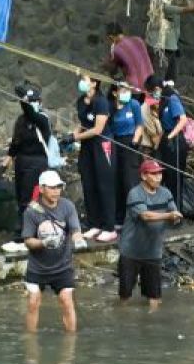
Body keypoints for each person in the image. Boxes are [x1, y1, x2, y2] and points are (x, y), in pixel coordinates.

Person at [22, 171, 86, 332]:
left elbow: (75, 229)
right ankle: (31, 342)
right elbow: (28, 240)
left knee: (66, 300)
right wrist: (44, 242)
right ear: (42, 189)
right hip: (38, 267)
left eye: (59, 187)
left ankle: (71, 342)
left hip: (62, 266)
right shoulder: (32, 211)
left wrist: (78, 239)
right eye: (52, 188)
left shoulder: (67, 206)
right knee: (33, 301)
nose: (56, 191)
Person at [118, 159, 182, 309]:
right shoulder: (135, 193)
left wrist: (176, 219)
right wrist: (168, 216)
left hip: (153, 252)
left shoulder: (165, 193)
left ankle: (153, 321)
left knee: (155, 295)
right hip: (131, 251)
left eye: (160, 173)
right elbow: (145, 216)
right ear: (144, 176)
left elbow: (174, 213)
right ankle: (123, 319)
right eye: (154, 174)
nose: (158, 177)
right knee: (125, 294)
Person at [0, 84, 51, 253]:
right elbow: (16, 142)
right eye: (30, 101)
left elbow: (31, 112)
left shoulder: (42, 118)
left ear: (39, 102)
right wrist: (8, 159)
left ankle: (26, 236)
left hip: (36, 163)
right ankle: (23, 233)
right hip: (22, 161)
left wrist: (24, 99)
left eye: (34, 100)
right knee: (21, 198)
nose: (32, 103)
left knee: (30, 200)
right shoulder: (21, 120)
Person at [73, 74, 118, 243]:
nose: (81, 82)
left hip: (102, 144)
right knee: (89, 183)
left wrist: (76, 138)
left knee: (104, 185)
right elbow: (83, 122)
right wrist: (73, 135)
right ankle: (95, 223)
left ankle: (109, 227)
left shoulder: (101, 102)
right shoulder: (80, 101)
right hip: (87, 146)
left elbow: (98, 129)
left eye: (85, 79)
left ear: (94, 83)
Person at [145, 75, 188, 208]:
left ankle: (177, 210)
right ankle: (169, 208)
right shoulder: (163, 101)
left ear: (157, 88)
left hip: (176, 141)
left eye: (152, 92)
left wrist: (171, 137)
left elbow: (183, 120)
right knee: (167, 176)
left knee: (176, 178)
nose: (153, 95)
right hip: (167, 139)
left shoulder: (172, 98)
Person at [108, 82, 144, 228]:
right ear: (115, 93)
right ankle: (119, 218)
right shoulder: (111, 107)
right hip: (115, 143)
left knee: (130, 181)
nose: (126, 92)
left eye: (128, 89)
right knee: (117, 181)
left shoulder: (134, 104)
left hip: (130, 142)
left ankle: (135, 217)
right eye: (123, 90)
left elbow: (139, 125)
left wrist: (135, 141)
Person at [147, 0, 194, 83]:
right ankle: (156, 93)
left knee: (171, 77)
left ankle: (167, 93)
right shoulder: (164, 7)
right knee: (160, 76)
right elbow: (185, 9)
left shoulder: (170, 7)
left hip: (171, 48)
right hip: (163, 48)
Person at [104, 22, 154, 91]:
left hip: (134, 87)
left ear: (111, 37)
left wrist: (111, 54)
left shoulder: (116, 49)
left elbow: (112, 70)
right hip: (151, 83)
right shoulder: (138, 40)